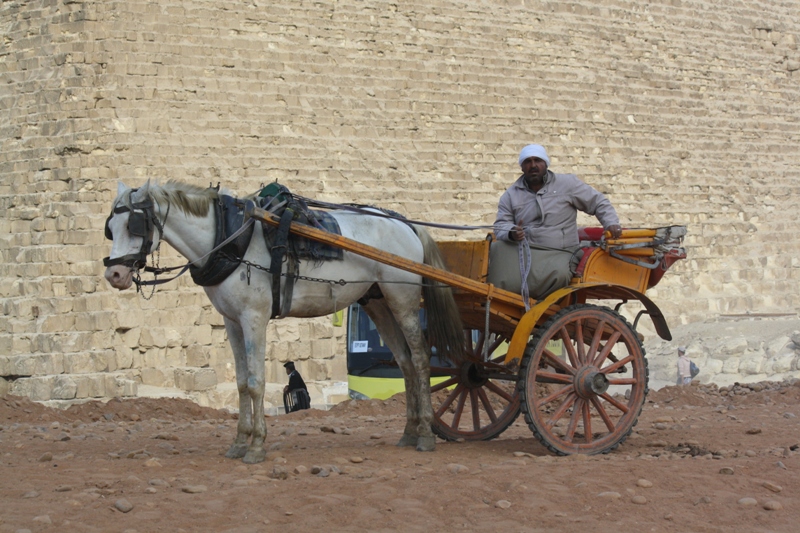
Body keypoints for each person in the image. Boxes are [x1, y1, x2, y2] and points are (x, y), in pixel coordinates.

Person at [494, 144, 623, 247]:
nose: (533, 165)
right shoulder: (510, 195)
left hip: (562, 252)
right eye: (528, 162)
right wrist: (512, 233)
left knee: (554, 275)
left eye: (537, 160)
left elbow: (598, 202)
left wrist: (611, 222)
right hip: (526, 251)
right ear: (522, 167)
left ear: (546, 164)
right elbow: (501, 225)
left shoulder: (568, 184)